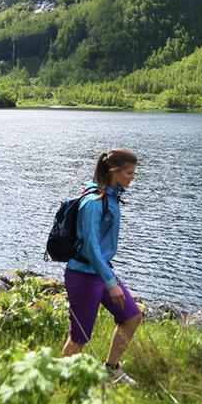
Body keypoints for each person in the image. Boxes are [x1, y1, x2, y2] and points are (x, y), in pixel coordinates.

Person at [61, 149, 143, 386]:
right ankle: (58, 381)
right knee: (79, 337)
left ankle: (110, 369)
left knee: (131, 316)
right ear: (114, 172)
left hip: (101, 271)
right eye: (129, 173)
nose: (132, 178)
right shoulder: (93, 202)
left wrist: (108, 278)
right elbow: (90, 247)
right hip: (84, 275)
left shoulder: (112, 196)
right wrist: (111, 282)